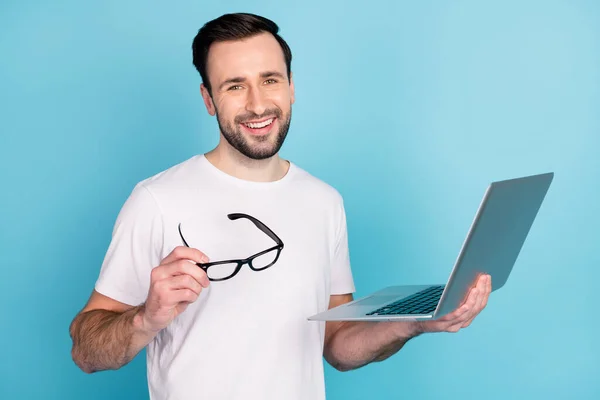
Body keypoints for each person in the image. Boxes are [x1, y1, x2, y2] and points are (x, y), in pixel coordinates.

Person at [69, 12, 492, 400]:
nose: (256, 104)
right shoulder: (157, 199)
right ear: (208, 99)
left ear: (291, 87)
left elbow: (337, 344)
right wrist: (146, 318)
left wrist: (416, 321)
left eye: (269, 80)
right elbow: (86, 352)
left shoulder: (324, 202)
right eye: (235, 86)